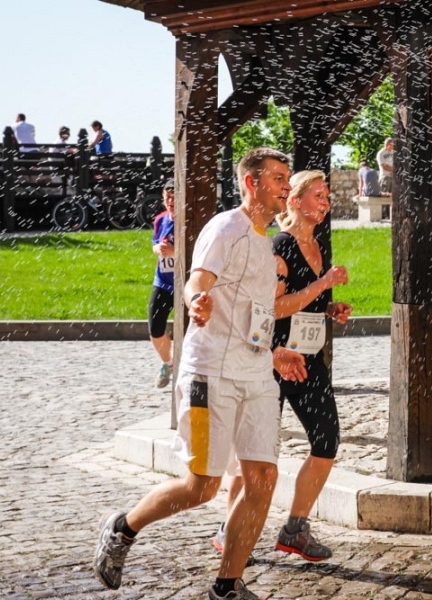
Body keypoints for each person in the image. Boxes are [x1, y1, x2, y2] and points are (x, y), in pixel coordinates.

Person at [93, 148, 307, 600]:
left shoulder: (266, 246)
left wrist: (274, 352)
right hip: (210, 375)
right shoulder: (225, 227)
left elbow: (254, 315)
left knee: (263, 479)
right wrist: (195, 302)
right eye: (278, 178)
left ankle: (226, 587)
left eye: (288, 178)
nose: (286, 186)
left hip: (256, 377)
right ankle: (123, 527)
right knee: (202, 487)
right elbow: (197, 279)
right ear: (251, 183)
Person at [215, 171, 351, 565]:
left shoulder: (317, 245)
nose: (324, 203)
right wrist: (322, 285)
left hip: (308, 361)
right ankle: (229, 530)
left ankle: (295, 529)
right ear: (294, 200)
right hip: (272, 362)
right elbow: (272, 309)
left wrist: (329, 308)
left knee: (326, 441)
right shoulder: (281, 246)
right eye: (317, 195)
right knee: (256, 454)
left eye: (327, 197)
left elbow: (302, 302)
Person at [148, 179, 176, 388]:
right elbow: (154, 244)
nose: (171, 202)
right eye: (167, 198)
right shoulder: (160, 220)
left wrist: (176, 251)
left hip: (185, 283)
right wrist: (157, 249)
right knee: (155, 328)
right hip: (163, 281)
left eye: (174, 198)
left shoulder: (190, 221)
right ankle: (169, 363)